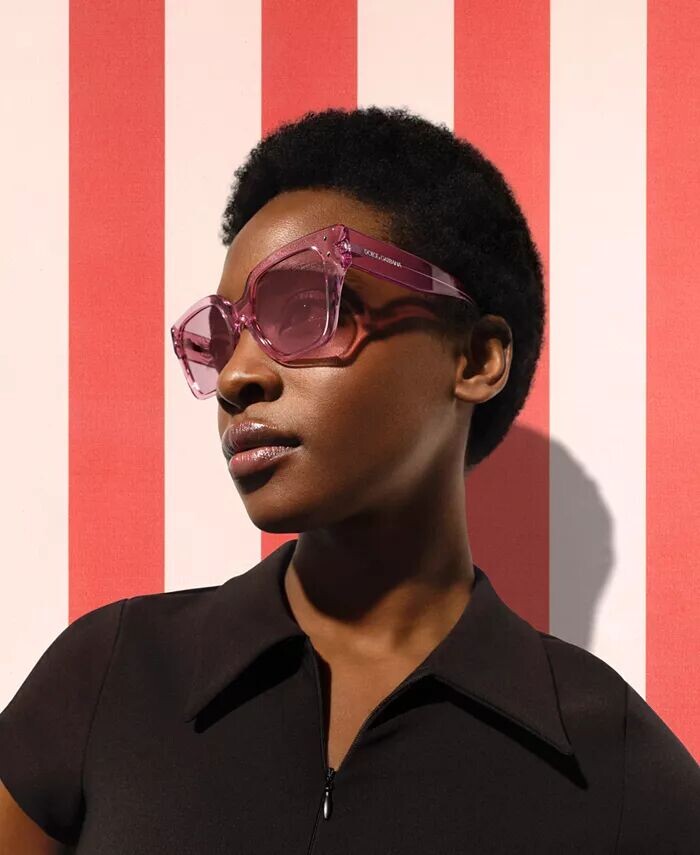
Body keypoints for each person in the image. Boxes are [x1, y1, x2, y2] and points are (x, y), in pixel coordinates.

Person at [1, 106, 698, 854]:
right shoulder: (113, 674)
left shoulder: (616, 765)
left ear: (474, 359)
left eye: (305, 307)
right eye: (222, 338)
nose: (236, 377)